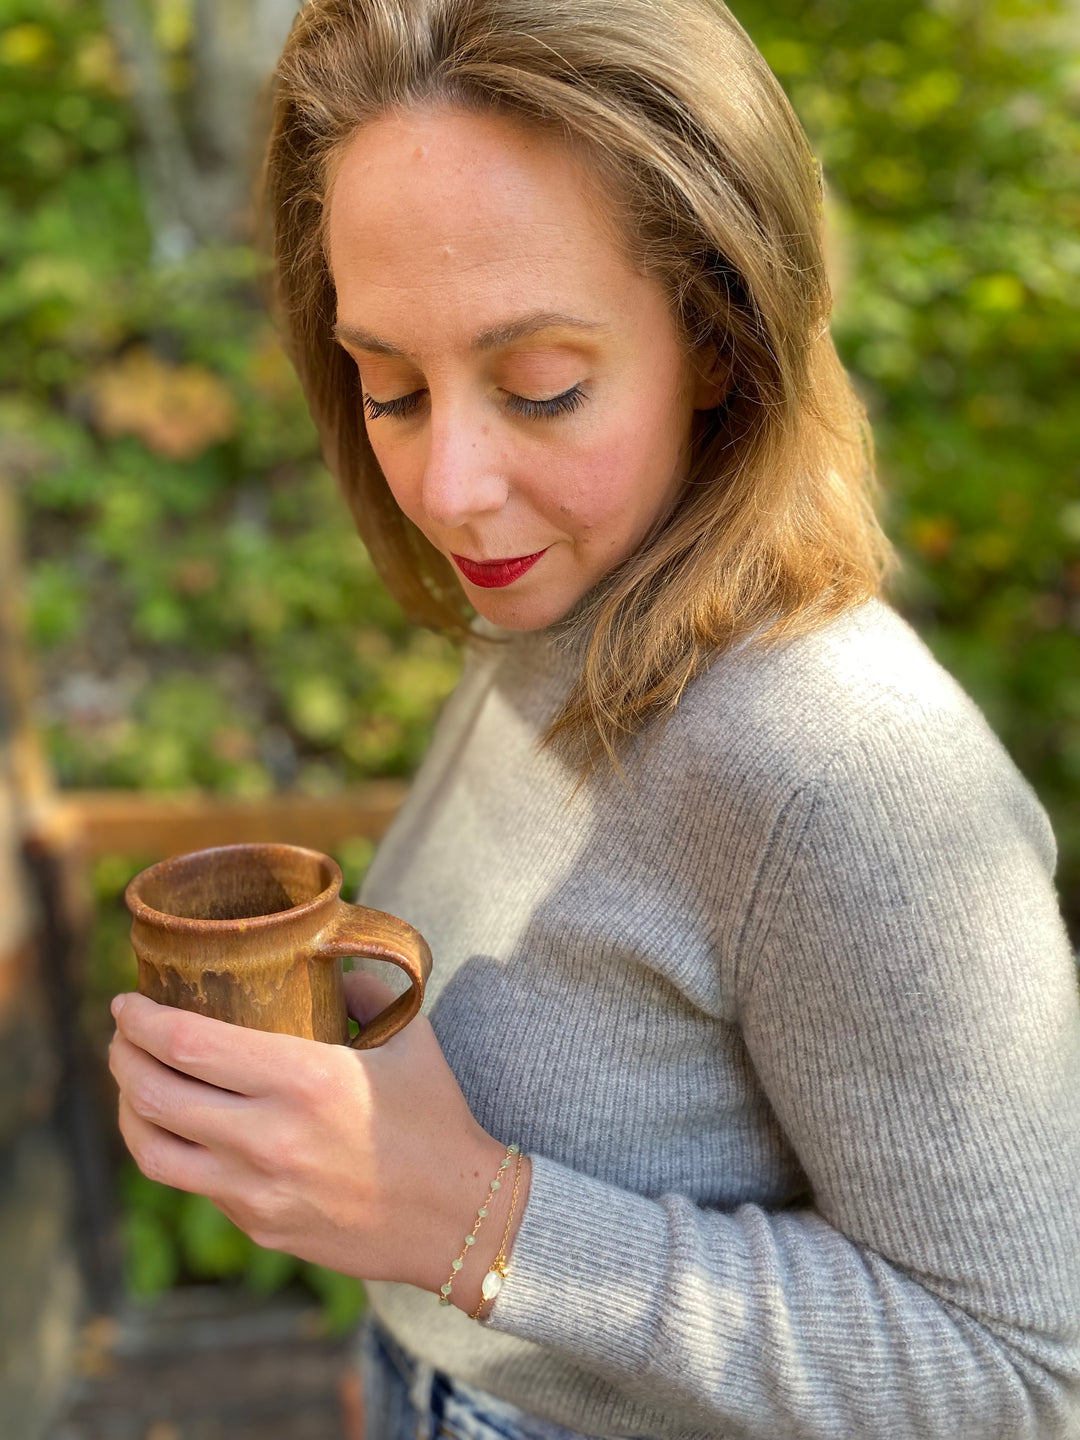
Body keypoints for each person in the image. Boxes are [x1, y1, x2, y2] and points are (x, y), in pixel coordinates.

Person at [108, 1, 1080, 1437]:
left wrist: (472, 1224)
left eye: (542, 387)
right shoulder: (561, 601)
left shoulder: (851, 771)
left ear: (716, 336)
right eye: (388, 386)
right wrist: (407, 1337)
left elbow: (1024, 1374)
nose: (447, 491)